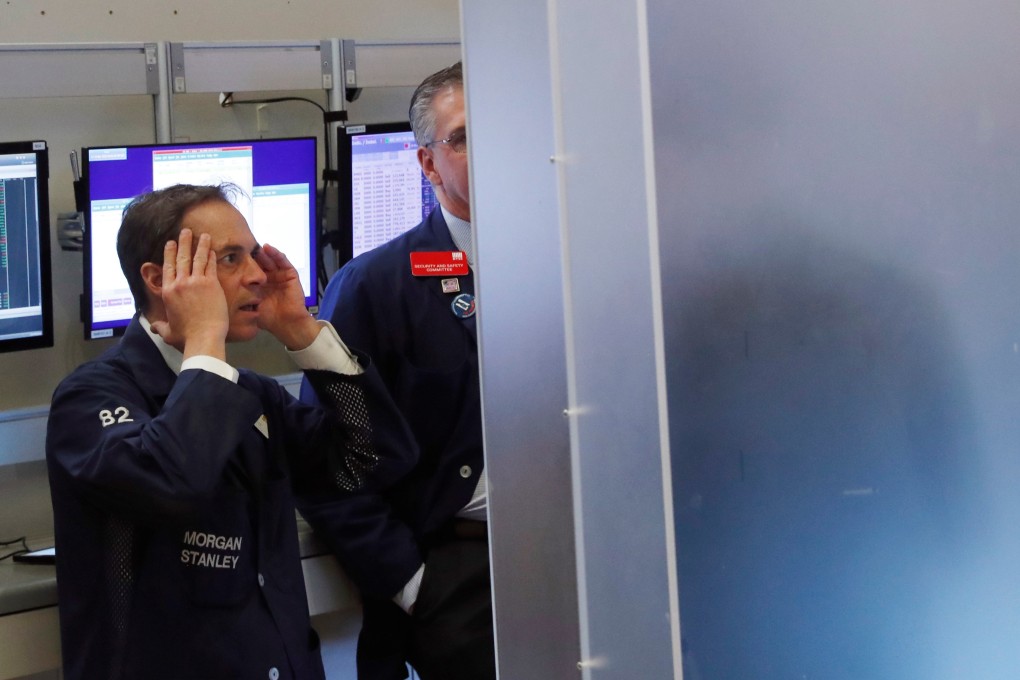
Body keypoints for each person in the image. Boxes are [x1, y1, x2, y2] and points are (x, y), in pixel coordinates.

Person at [45, 183, 417, 680]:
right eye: (230, 258)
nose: (259, 275)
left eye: (255, 255)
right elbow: (170, 480)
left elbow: (377, 461)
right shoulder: (90, 397)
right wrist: (204, 336)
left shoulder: (254, 394)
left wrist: (304, 334)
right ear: (159, 279)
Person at [299, 61, 494, 680]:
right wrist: (412, 584)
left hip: (581, 553)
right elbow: (328, 460)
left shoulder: (588, 260)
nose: (493, 148)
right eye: (464, 137)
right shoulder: (374, 287)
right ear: (429, 164)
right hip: (455, 578)